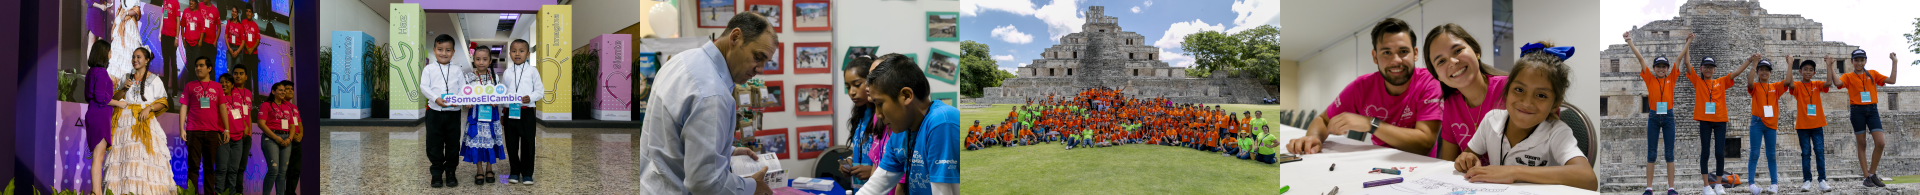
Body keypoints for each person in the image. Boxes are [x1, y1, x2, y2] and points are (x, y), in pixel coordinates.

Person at [638, 12, 779, 195]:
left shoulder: (682, 60)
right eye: (758, 57)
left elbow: (671, 136)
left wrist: (725, 150)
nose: (760, 69)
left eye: (765, 62)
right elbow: (706, 184)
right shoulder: (712, 94)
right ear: (735, 37)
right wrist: (752, 187)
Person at [1450, 42, 1596, 190]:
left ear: (1555, 104)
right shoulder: (1491, 120)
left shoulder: (1557, 133)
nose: (1527, 102)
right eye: (1519, 89)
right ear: (1507, 91)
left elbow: (1588, 178)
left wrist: (1514, 172)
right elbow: (1468, 155)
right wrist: (1466, 159)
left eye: (1541, 95)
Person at [1288, 18, 1443, 156]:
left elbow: (1424, 145)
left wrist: (1371, 123)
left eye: (1403, 51)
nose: (1396, 60)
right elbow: (1322, 119)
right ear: (1375, 57)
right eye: (1386, 52)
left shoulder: (1429, 82)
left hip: (1419, 168)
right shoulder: (1361, 87)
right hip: (1376, 163)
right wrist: (1313, 138)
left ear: (1415, 53)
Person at [856, 53, 961, 195]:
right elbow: (875, 187)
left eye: (880, 104)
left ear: (906, 96)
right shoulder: (901, 133)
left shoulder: (942, 122)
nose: (878, 115)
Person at [1423, 24, 1509, 162]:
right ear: (1437, 76)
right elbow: (1449, 165)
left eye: (1457, 51)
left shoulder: (1510, 88)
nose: (1453, 62)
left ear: (1476, 52)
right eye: (1441, 61)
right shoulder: (1450, 104)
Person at [1680, 37, 1754, 195]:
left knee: (1720, 152)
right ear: (1701, 69)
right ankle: (1706, 186)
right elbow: (1687, 64)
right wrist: (1687, 44)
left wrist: (1749, 60)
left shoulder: (1721, 82)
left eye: (1711, 67)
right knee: (1705, 152)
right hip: (1705, 120)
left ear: (1714, 69)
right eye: (1705, 67)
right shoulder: (1698, 82)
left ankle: (1719, 184)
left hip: (1720, 120)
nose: (1708, 69)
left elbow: (1736, 73)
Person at [104, 47, 176, 194]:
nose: (135, 60)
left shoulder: (155, 79)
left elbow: (163, 102)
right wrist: (123, 89)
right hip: (125, 124)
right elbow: (114, 98)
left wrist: (149, 108)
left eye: (139, 57)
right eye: (133, 57)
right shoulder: (126, 77)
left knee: (144, 159)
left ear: (147, 60)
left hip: (144, 123)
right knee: (126, 159)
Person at [1626, 30, 1684, 195]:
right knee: (1651, 152)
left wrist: (1688, 42)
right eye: (1658, 66)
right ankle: (1649, 188)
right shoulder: (1649, 78)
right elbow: (1640, 59)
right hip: (1653, 117)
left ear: (1667, 69)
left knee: (1669, 152)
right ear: (1654, 68)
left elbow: (1679, 59)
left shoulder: (1671, 78)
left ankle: (1671, 188)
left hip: (1669, 117)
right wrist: (1629, 41)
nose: (1660, 69)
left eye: (1663, 66)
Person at [1835, 49, 1897, 188]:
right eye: (1856, 60)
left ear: (1866, 61)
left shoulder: (1873, 74)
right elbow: (1838, 84)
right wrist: (1830, 67)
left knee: (1880, 143)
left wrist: (1894, 62)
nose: (1859, 62)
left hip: (1872, 110)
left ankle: (1872, 173)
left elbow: (1892, 81)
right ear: (1852, 61)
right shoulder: (1848, 76)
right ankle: (1866, 177)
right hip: (1857, 111)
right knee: (1862, 144)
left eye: (1862, 60)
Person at [419, 34, 468, 188]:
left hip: (453, 113)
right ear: (434, 50)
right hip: (435, 113)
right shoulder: (428, 69)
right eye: (440, 49)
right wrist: (435, 98)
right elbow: (424, 87)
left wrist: (458, 99)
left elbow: (463, 89)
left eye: (448, 50)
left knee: (453, 143)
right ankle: (436, 174)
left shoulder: (457, 70)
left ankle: (451, 171)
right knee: (434, 143)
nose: (444, 53)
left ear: (453, 52)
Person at [180, 56, 229, 194]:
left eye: (201, 65)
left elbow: (223, 108)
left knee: (209, 168)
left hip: (212, 132)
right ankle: (192, 193)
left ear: (209, 69)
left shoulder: (217, 86)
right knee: (193, 166)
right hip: (193, 130)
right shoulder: (190, 85)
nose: (198, 68)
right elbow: (183, 107)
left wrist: (227, 129)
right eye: (196, 66)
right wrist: (181, 129)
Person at [461, 48, 508, 186]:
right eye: (478, 59)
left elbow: (500, 93)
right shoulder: (468, 77)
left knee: (490, 140)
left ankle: (489, 168)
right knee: (477, 140)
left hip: (491, 115)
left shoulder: (494, 77)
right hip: (476, 115)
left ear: (490, 61)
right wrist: (467, 102)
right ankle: (479, 169)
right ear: (473, 60)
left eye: (485, 59)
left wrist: (496, 99)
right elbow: (464, 93)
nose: (481, 62)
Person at [1787, 57, 1833, 192]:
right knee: (1805, 154)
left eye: (1811, 70)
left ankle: (1822, 180)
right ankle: (1807, 180)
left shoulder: (1817, 84)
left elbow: (1829, 82)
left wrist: (1829, 65)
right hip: (1802, 126)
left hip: (1817, 124)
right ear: (1800, 71)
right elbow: (1789, 83)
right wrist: (1790, 64)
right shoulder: (1797, 86)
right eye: (1805, 69)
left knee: (1819, 152)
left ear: (1814, 73)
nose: (1808, 72)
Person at [502, 39, 545, 185]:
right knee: (511, 143)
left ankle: (527, 173)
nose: (517, 54)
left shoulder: (533, 71)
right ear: (510, 54)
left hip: (526, 112)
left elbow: (540, 91)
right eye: (514, 51)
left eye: (521, 51)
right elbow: (503, 93)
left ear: (527, 53)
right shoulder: (507, 72)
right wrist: (503, 113)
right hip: (510, 112)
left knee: (528, 144)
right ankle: (514, 172)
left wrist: (530, 97)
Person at [1742, 56, 1786, 194]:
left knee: (1771, 154)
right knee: (1754, 153)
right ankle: (1751, 184)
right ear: (1758, 72)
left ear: (1770, 73)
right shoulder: (1755, 86)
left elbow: (1789, 81)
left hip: (1771, 124)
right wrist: (1754, 63)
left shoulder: (1775, 87)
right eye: (1761, 70)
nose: (1764, 72)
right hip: (1757, 122)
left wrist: (1790, 64)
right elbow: (1749, 82)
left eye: (1767, 70)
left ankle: (1774, 184)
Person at [83, 40, 117, 195]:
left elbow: (89, 96)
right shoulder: (102, 73)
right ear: (104, 53)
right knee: (99, 156)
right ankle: (96, 192)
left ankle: (96, 191)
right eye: (109, 52)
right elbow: (100, 97)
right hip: (101, 114)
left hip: (92, 113)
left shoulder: (91, 72)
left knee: (97, 156)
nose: (111, 55)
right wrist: (119, 103)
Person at [258, 80, 301, 195]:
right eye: (280, 90)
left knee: (282, 172)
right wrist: (276, 138)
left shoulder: (287, 107)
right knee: (274, 170)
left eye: (284, 90)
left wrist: (289, 139)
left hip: (286, 138)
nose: (283, 92)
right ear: (273, 91)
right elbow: (261, 124)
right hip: (271, 138)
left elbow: (292, 126)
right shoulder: (266, 105)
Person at [217, 67, 255, 194]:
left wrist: (246, 128)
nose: (224, 84)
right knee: (222, 169)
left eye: (227, 82)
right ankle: (219, 192)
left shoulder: (239, 98)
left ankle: (232, 193)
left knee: (234, 170)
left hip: (239, 137)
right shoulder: (217, 99)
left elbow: (243, 116)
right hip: (223, 136)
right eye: (222, 82)